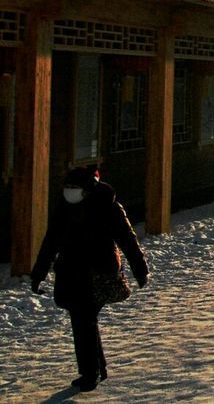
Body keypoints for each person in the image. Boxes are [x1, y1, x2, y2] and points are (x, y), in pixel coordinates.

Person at [30, 166, 148, 391]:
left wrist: (140, 269)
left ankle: (91, 372)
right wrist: (39, 273)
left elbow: (127, 239)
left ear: (87, 189)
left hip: (99, 272)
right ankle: (97, 368)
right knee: (85, 320)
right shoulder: (64, 207)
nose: (70, 192)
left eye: (75, 188)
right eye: (68, 187)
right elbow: (50, 242)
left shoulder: (108, 206)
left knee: (83, 319)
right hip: (70, 272)